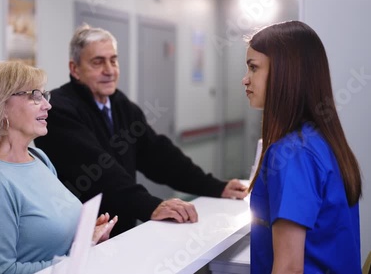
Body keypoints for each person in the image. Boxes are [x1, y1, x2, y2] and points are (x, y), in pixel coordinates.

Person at [34, 24, 248, 236]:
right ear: (75, 69)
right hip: (81, 240)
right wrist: (150, 205)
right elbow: (99, 171)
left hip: (124, 234)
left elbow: (160, 157)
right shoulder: (58, 110)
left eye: (113, 60)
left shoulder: (121, 105)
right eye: (98, 62)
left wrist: (216, 187)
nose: (109, 70)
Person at [0, 61, 117, 274]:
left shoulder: (39, 158)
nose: (47, 105)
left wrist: (86, 240)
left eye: (45, 96)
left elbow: (49, 238)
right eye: (35, 96)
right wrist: (73, 260)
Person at [242, 21, 362, 273]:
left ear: (286, 73)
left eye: (254, 68)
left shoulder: (292, 153)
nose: (245, 79)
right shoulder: (319, 140)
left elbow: (289, 268)